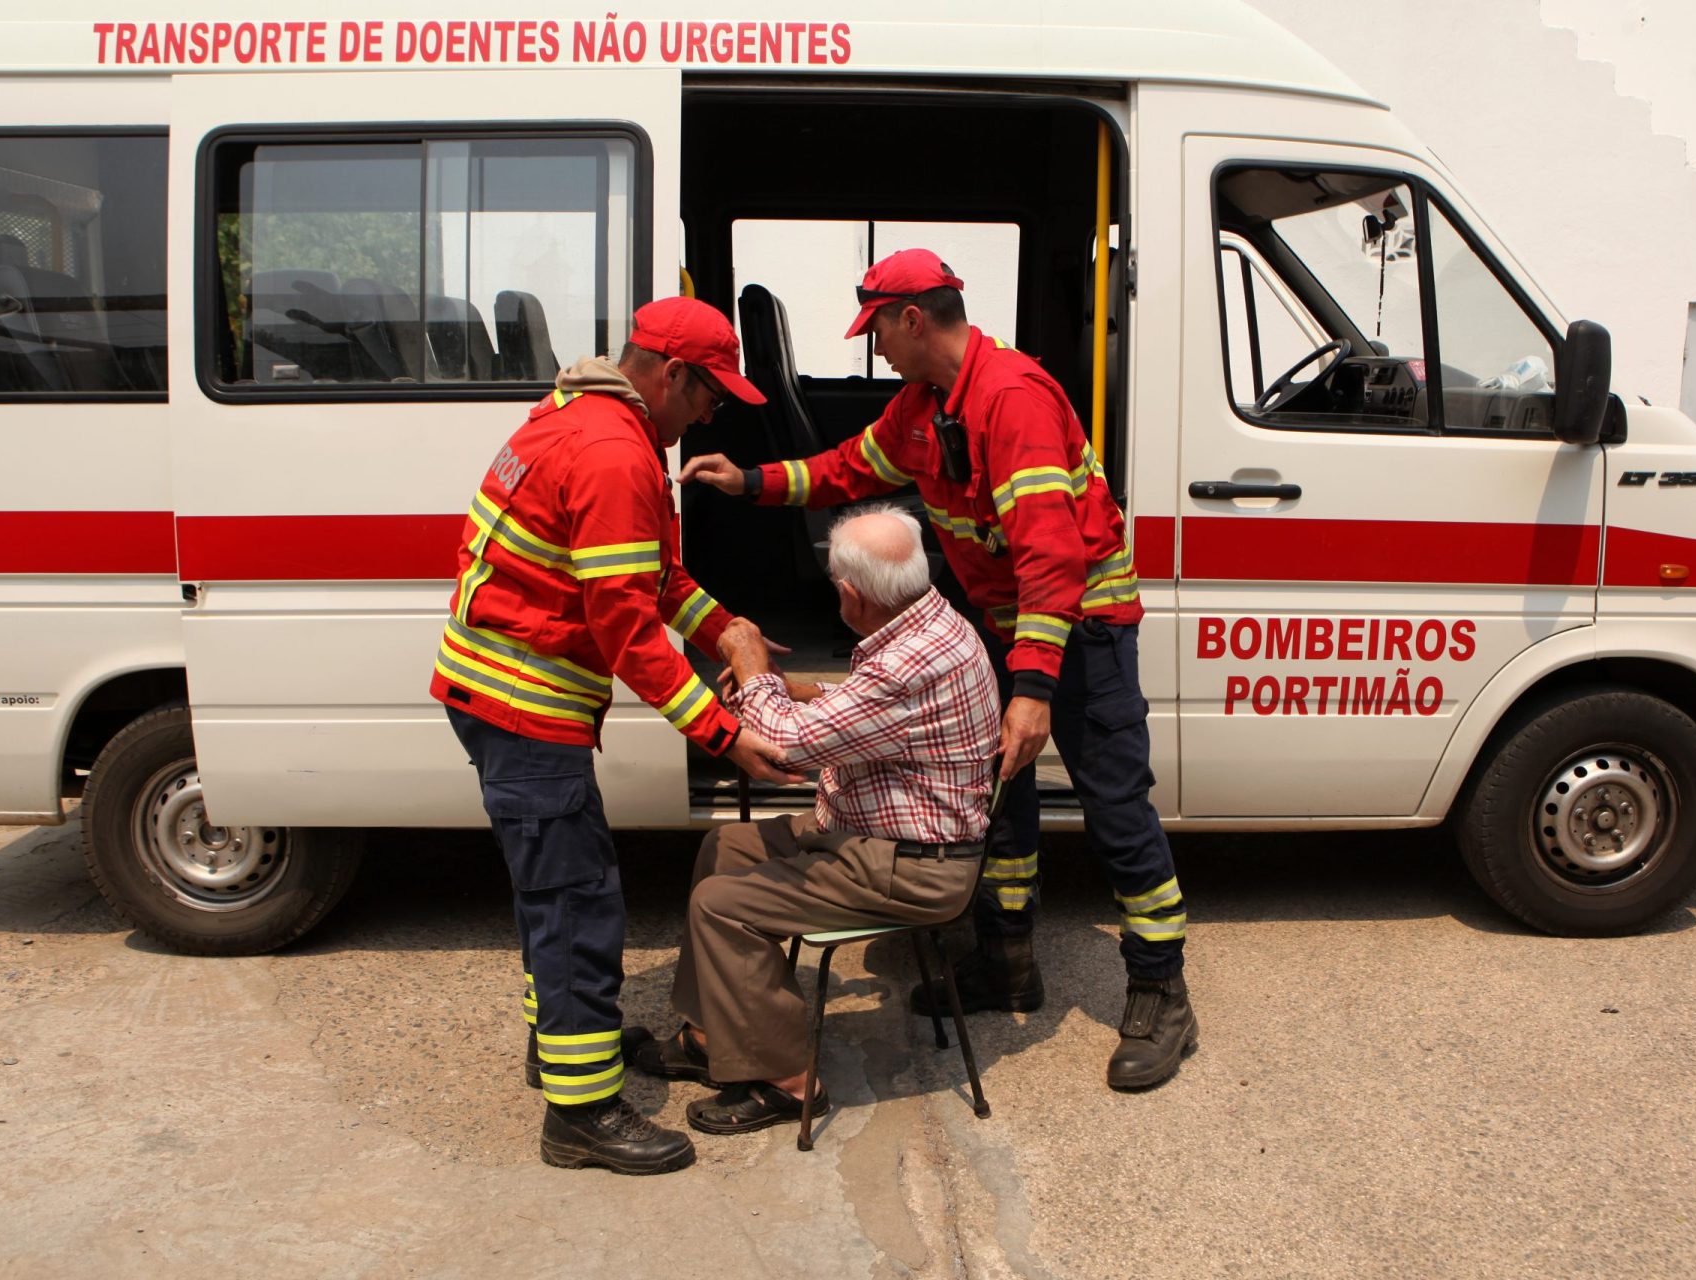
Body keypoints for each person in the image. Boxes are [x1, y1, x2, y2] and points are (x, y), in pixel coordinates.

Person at [679, 249, 1198, 1092]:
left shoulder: (1012, 398)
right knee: (1003, 797)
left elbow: (1052, 559)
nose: (874, 346)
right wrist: (750, 482)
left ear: (913, 318)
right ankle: (1007, 959)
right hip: (1008, 620)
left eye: (877, 328)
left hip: (1083, 627)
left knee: (1114, 804)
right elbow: (846, 470)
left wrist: (1030, 692)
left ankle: (1160, 990)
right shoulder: (924, 406)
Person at [432, 296, 800, 1176]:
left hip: (500, 695)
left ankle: (559, 1045)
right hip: (525, 706)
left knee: (551, 891)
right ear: (671, 375)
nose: (711, 417)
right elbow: (627, 630)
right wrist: (722, 732)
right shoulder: (613, 455)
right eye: (711, 399)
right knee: (576, 900)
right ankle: (582, 1114)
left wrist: (728, 631)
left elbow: (657, 576)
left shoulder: (591, 420)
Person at [634, 506, 1001, 1131]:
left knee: (723, 905)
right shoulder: (932, 623)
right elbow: (874, 714)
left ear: (851, 594)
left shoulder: (902, 665)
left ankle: (786, 1080)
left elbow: (786, 746)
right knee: (725, 849)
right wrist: (802, 689)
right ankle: (711, 1035)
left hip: (909, 868)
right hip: (879, 842)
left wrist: (750, 661)